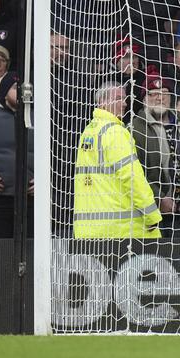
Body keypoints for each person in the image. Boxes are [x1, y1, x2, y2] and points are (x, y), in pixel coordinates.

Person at [73, 80, 162, 239]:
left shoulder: (89, 131)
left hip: (89, 230)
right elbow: (132, 178)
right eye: (119, 98)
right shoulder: (115, 132)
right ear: (102, 102)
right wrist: (152, 216)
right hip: (122, 231)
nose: (125, 103)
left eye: (125, 98)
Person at [130, 75, 180, 237]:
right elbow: (133, 171)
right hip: (150, 213)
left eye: (164, 92)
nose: (160, 97)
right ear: (144, 99)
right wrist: (159, 198)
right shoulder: (134, 129)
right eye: (153, 93)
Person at [0, 73, 31, 238]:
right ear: (5, 91)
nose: (21, 92)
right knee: (0, 253)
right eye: (15, 88)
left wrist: (44, 179)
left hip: (31, 200)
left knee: (31, 251)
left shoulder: (39, 117)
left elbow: (53, 153)